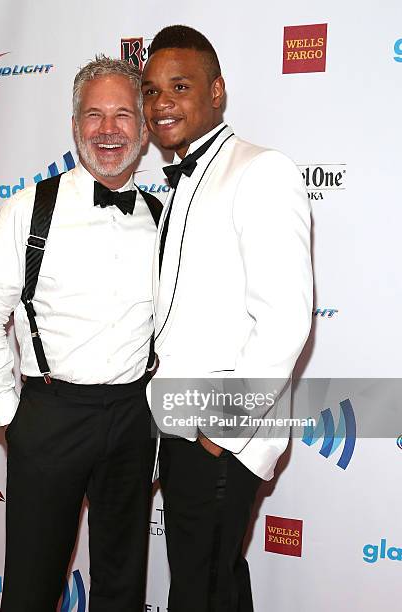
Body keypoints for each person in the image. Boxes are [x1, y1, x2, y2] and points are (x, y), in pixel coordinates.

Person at [0, 56, 161, 612]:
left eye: (124, 115)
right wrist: (11, 414)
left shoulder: (161, 217)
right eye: (94, 115)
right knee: (32, 582)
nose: (109, 130)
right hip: (50, 414)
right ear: (75, 127)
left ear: (145, 129)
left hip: (132, 417)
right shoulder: (30, 209)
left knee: (122, 584)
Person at [142, 25, 313, 612]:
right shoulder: (184, 181)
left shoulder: (261, 171)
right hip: (180, 422)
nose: (161, 102)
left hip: (218, 431)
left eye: (179, 86)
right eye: (151, 89)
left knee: (199, 591)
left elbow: (286, 319)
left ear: (217, 92)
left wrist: (220, 432)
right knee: (214, 586)